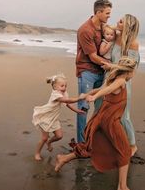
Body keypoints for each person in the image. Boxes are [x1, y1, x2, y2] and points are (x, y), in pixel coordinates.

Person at [55, 57, 138, 190]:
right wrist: (94, 97)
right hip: (110, 121)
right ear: (130, 71)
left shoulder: (112, 79)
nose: (134, 75)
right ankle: (122, 186)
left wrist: (87, 94)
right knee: (125, 150)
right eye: (134, 72)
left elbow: (101, 89)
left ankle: (64, 158)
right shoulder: (120, 81)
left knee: (92, 147)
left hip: (103, 118)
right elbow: (108, 90)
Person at [76, 0, 112, 143]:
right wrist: (112, 65)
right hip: (87, 72)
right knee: (83, 108)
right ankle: (81, 144)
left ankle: (92, 136)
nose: (109, 16)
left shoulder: (103, 27)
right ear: (98, 12)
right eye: (107, 13)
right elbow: (92, 57)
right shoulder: (85, 30)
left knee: (99, 107)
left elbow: (114, 32)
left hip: (100, 72)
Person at [103, 14, 140, 157]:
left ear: (128, 26)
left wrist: (110, 66)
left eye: (121, 21)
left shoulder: (133, 43)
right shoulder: (116, 35)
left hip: (122, 82)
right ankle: (108, 140)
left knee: (124, 116)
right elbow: (106, 27)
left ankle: (132, 145)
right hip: (108, 78)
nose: (117, 21)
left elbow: (130, 70)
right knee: (102, 109)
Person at [32, 74, 85, 161]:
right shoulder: (55, 95)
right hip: (46, 118)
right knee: (44, 138)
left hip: (54, 118)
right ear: (55, 87)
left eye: (65, 86)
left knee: (59, 136)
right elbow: (66, 100)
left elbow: (67, 104)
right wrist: (79, 98)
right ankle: (37, 153)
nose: (64, 88)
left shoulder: (63, 93)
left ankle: (49, 142)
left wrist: (77, 110)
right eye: (62, 86)